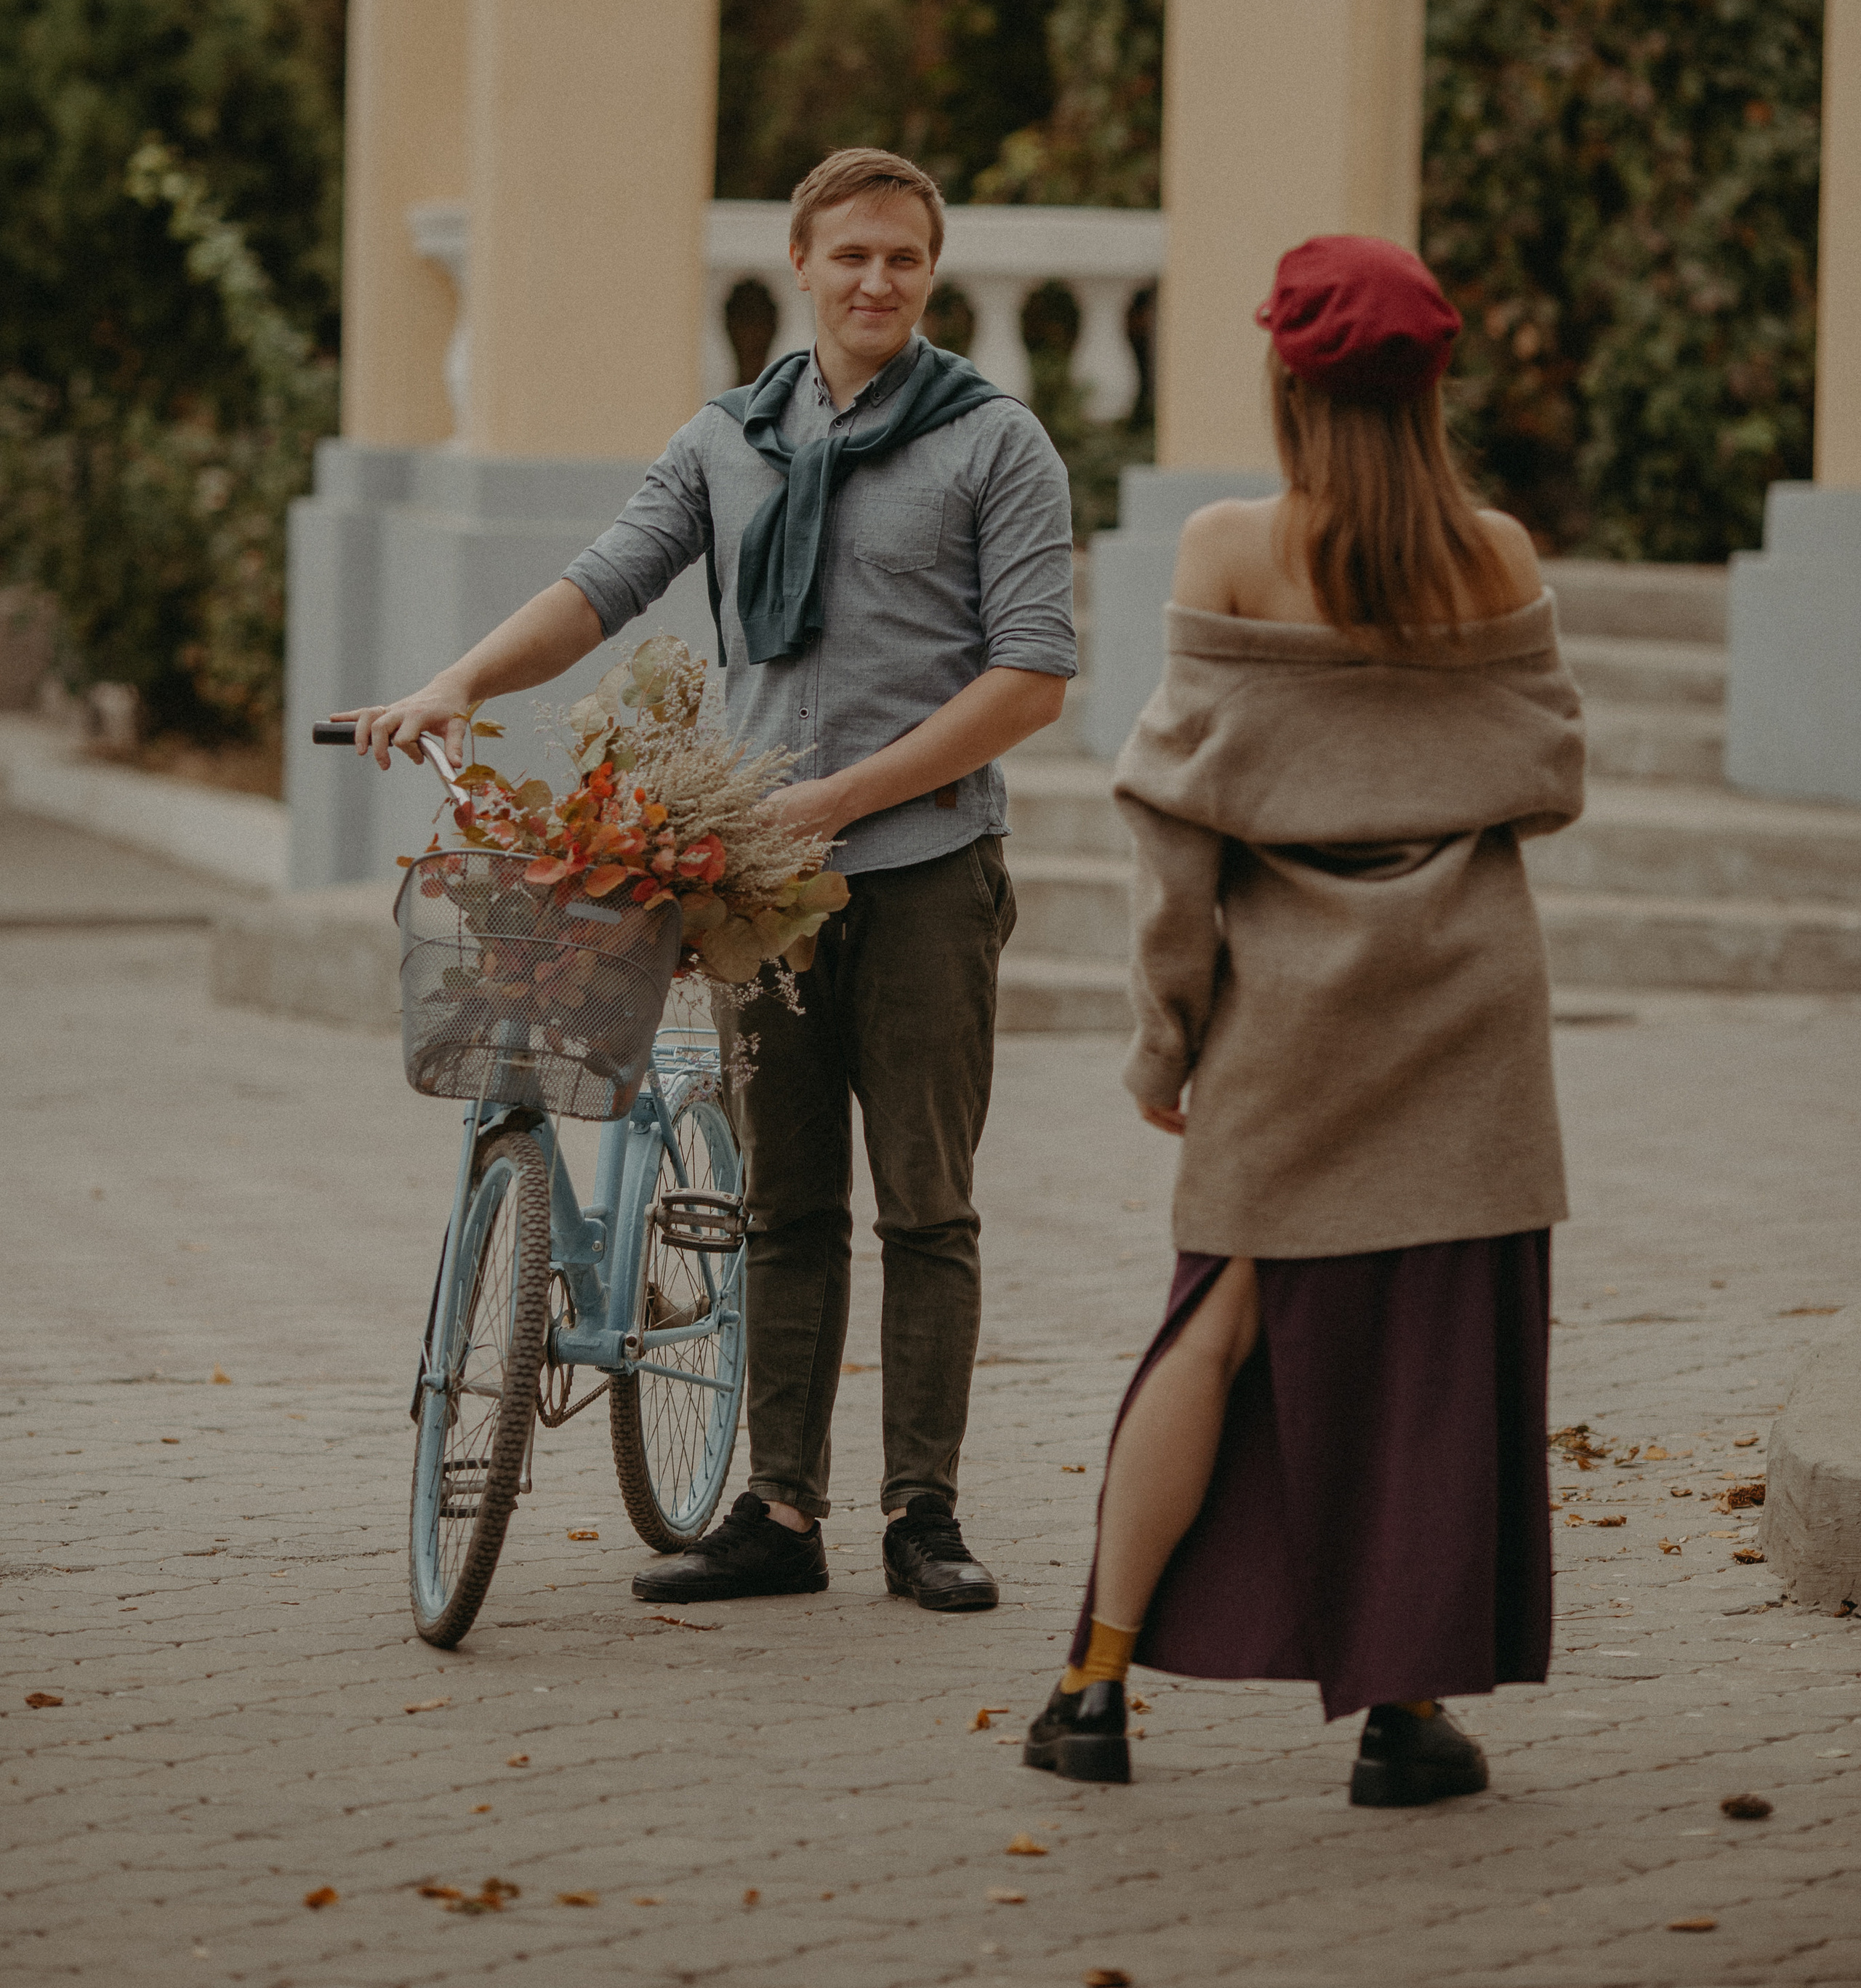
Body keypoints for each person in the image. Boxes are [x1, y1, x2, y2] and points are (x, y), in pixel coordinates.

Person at [350, 148, 1077, 1611]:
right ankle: (783, 1511)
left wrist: (837, 798)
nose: (876, 281)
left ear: (925, 276)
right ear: (798, 267)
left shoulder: (997, 442)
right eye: (850, 256)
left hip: (928, 868)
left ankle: (921, 1518)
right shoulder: (728, 438)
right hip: (762, 895)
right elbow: (601, 584)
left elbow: (1029, 680)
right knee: (782, 1202)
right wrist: (457, 679)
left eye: (902, 260)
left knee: (924, 1201)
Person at [1022, 233, 1585, 1803]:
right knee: (1432, 1352)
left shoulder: (1224, 550)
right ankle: (1400, 1719)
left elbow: (1176, 835)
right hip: (1466, 1008)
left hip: (1284, 1014)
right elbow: (1547, 776)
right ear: (1431, 385)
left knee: (1214, 1322)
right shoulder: (1497, 556)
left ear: (1283, 376)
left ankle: (1093, 1690)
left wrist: (1164, 1038)